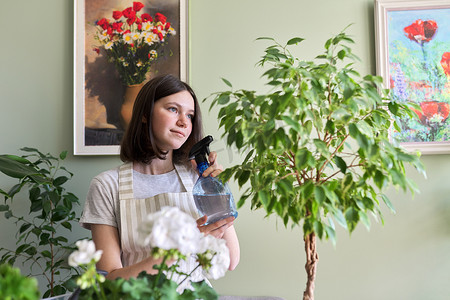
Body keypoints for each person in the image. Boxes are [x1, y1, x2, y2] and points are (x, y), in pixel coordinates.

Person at [80, 74, 239, 289]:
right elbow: (109, 279)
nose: (184, 121)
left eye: (190, 115)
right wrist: (181, 245)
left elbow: (230, 260)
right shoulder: (107, 185)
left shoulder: (198, 181)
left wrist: (217, 192)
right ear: (145, 114)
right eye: (173, 109)